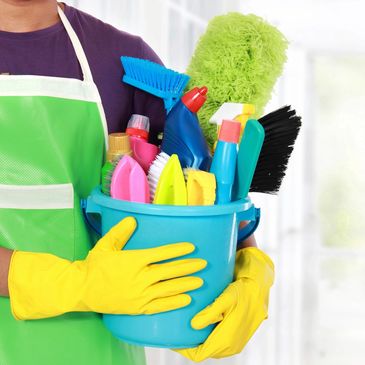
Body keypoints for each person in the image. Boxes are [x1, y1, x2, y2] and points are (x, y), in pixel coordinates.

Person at [0, 1, 275, 364]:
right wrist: (72, 285)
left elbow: (201, 194)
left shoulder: (123, 59)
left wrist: (250, 270)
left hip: (98, 350)